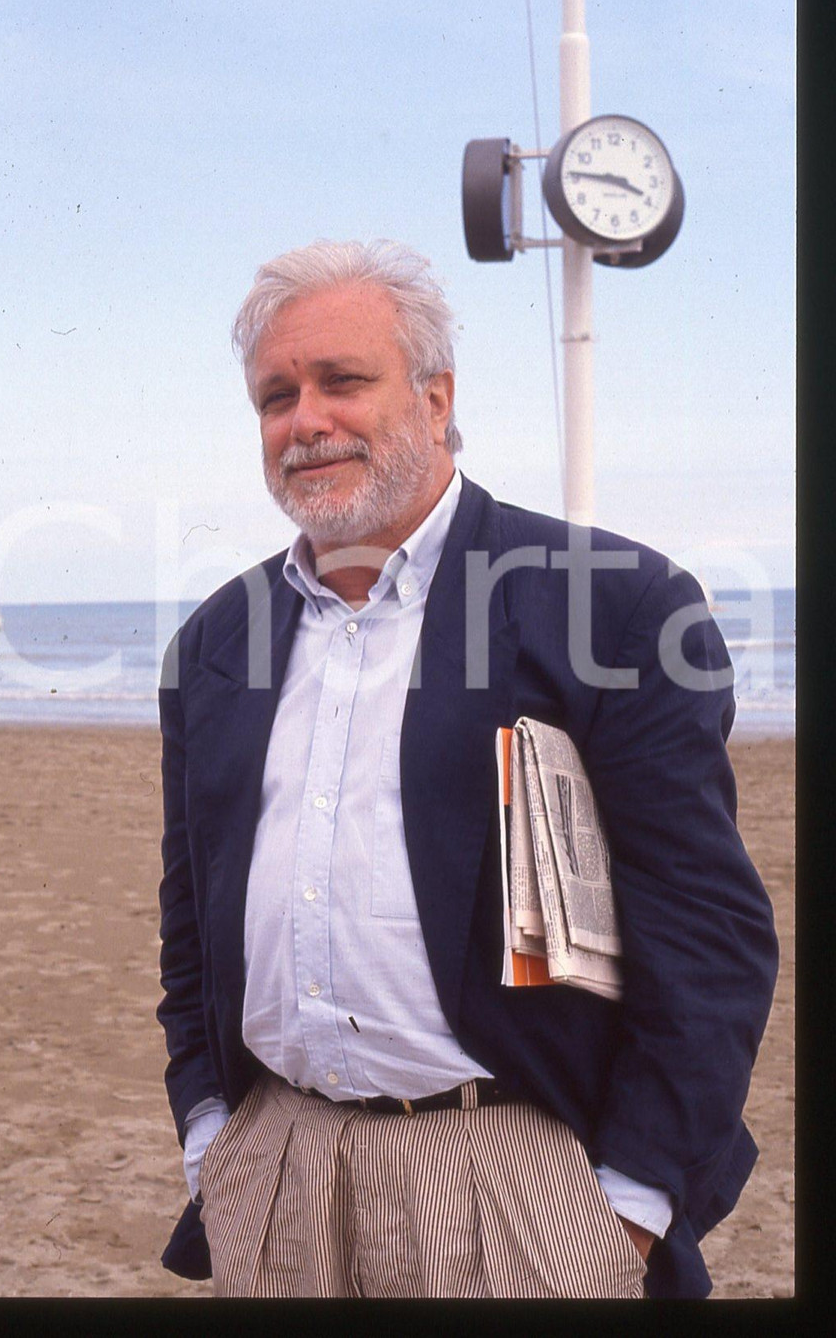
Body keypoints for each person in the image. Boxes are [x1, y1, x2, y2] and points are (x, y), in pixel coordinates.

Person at [156, 239, 778, 1299]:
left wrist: (628, 1206)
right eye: (275, 395)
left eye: (343, 381)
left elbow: (706, 936)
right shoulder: (218, 641)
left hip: (514, 1175)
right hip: (277, 1168)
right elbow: (190, 924)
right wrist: (211, 1131)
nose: (304, 420)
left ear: (436, 397)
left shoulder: (607, 604)